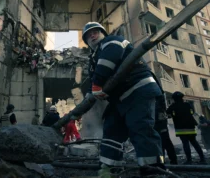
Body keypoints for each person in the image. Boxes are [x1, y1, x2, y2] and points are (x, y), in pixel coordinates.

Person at [82, 22, 165, 177]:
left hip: (138, 90)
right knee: (111, 130)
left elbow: (108, 61)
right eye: (88, 35)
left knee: (140, 127)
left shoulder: (112, 41)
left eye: (95, 32)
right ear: (86, 41)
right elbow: (93, 81)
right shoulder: (94, 59)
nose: (92, 35)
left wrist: (97, 84)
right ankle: (109, 169)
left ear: (103, 33)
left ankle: (153, 170)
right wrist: (88, 98)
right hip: (119, 99)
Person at [167, 91, 206, 164]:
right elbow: (192, 112)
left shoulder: (173, 106)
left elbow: (167, 113)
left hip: (180, 128)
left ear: (174, 99)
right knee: (194, 143)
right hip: (190, 127)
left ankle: (189, 160)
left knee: (185, 144)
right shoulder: (188, 104)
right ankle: (202, 159)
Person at [155, 95, 177, 164]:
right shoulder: (158, 107)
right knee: (164, 147)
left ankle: (171, 161)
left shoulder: (159, 108)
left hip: (161, 128)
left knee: (164, 146)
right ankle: (168, 161)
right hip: (160, 128)